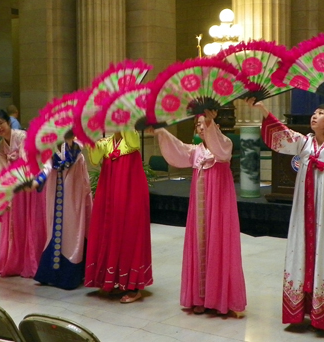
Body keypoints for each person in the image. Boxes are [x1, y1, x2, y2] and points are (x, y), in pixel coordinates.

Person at [246, 92, 324, 331]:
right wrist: (263, 109)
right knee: (304, 250)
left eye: (321, 114)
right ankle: (304, 308)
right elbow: (282, 135)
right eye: (314, 113)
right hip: (305, 208)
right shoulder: (304, 142)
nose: (315, 116)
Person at [146, 110, 247, 316]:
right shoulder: (196, 151)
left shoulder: (224, 144)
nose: (201, 127)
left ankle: (219, 298)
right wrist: (160, 131)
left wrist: (210, 122)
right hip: (200, 208)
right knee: (200, 244)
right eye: (198, 125)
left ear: (214, 125)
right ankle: (200, 297)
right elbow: (177, 149)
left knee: (217, 242)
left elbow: (221, 150)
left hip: (218, 205)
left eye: (204, 123)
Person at [84, 130, 152, 303]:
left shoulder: (132, 138)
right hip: (110, 196)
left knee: (129, 235)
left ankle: (132, 286)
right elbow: (94, 156)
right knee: (110, 233)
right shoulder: (106, 143)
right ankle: (116, 281)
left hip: (131, 195)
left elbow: (131, 137)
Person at [0, 109, 47, 277]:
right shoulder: (0, 147)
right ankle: (17, 261)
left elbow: (26, 159)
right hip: (15, 187)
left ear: (8, 122)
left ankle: (33, 261)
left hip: (28, 184)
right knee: (15, 222)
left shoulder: (22, 136)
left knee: (31, 221)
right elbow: (3, 169)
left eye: (1, 123)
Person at [33, 130, 93, 290]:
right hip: (56, 199)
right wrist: (37, 181)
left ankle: (72, 275)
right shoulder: (51, 149)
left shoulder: (77, 148)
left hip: (74, 198)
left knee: (73, 233)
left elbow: (71, 160)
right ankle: (51, 274)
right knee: (55, 232)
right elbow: (47, 167)